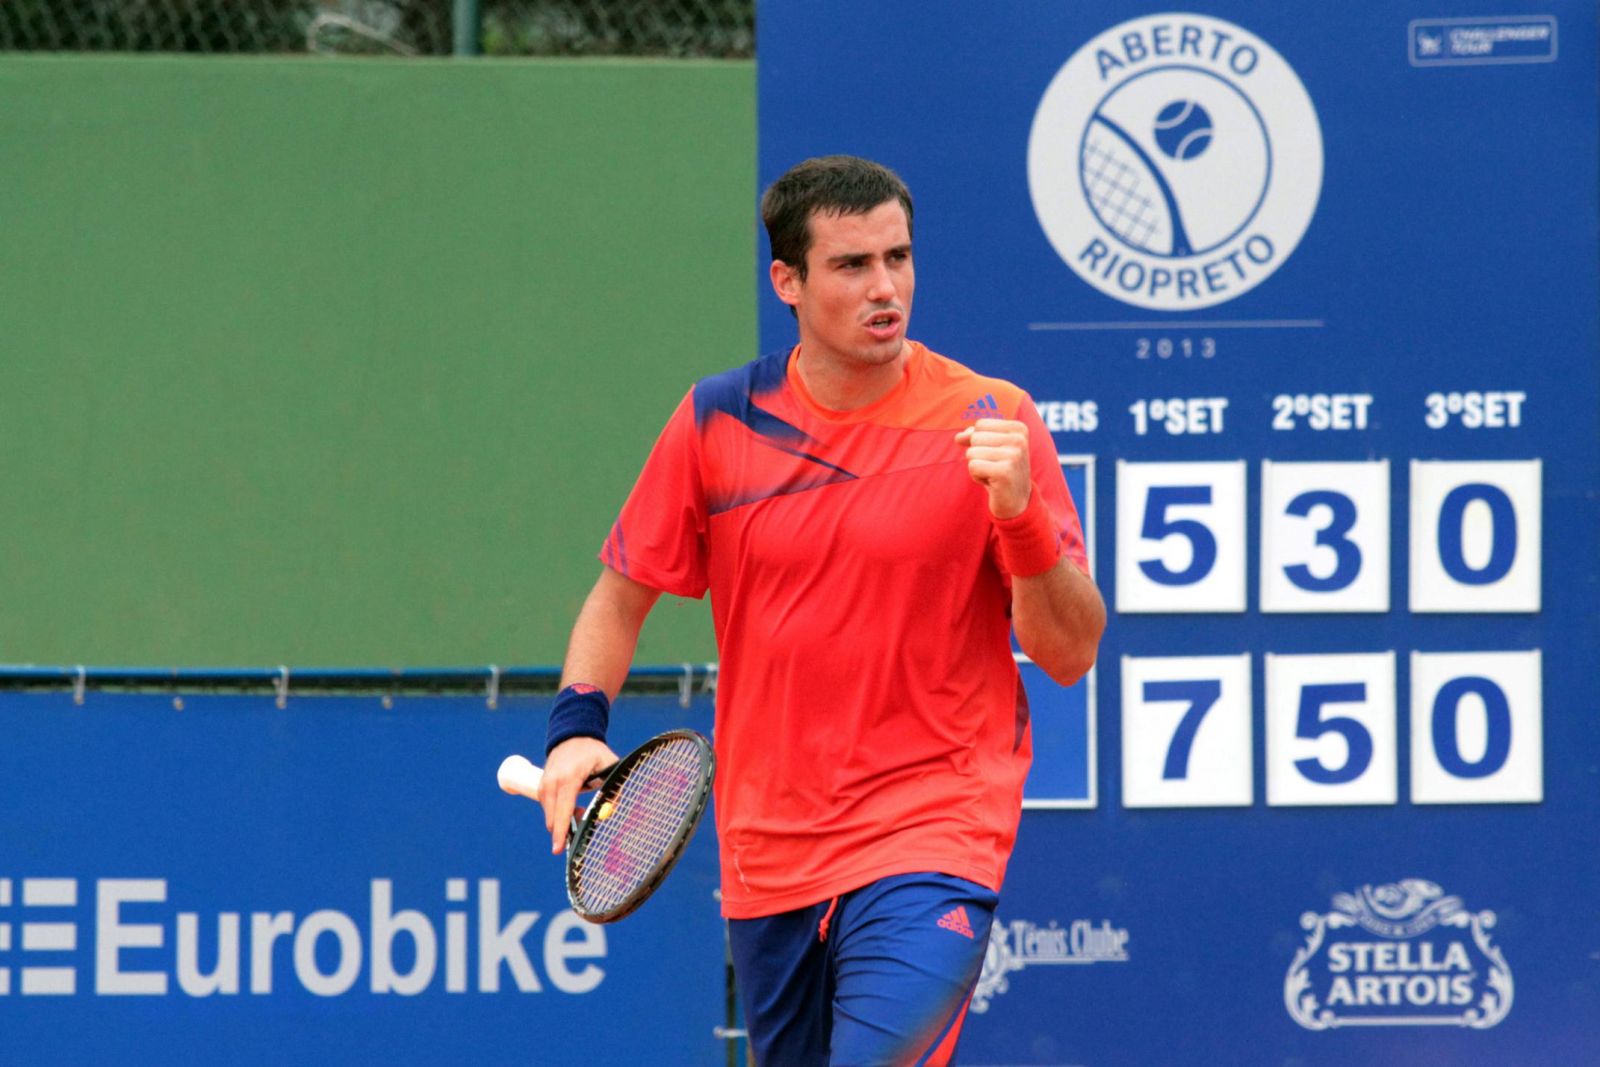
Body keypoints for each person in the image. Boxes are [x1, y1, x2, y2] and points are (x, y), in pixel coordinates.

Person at [538, 155, 1105, 1065]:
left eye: (899, 257)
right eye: (852, 265)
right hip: (770, 856)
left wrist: (1021, 518)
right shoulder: (717, 421)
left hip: (933, 829)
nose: (886, 287)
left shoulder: (995, 418)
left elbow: (1070, 650)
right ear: (788, 282)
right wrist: (575, 728)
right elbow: (619, 596)